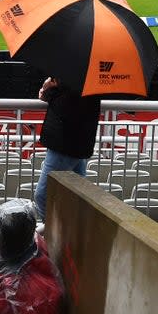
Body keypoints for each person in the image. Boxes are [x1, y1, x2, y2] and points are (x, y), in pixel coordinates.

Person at [33, 77, 101, 219]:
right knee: (79, 196)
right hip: (75, 144)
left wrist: (46, 89)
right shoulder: (89, 79)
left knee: (42, 196)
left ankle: (60, 236)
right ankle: (76, 234)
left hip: (65, 145)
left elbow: (64, 106)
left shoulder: (75, 79)